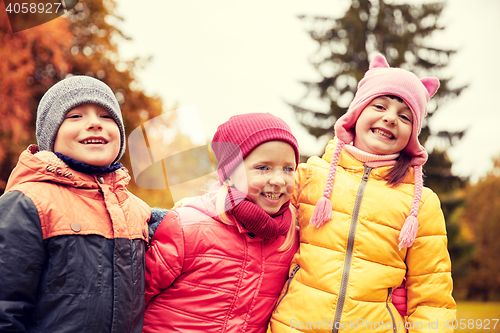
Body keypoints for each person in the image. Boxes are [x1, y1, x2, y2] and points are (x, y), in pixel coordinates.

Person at [270, 54, 456, 332]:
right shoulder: (310, 176)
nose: (390, 118)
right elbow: (255, 204)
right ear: (356, 114)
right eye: (379, 105)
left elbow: (432, 297)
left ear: (413, 134)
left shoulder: (421, 204)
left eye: (405, 116)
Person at [0, 76, 151, 333]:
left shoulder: (138, 211)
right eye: (75, 116)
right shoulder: (28, 203)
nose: (94, 123)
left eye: (106, 116)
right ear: (52, 135)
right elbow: (6, 308)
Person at [143, 113, 300, 333]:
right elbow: (132, 298)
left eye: (288, 169)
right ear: (228, 175)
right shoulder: (187, 227)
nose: (278, 180)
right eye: (263, 167)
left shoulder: (290, 240)